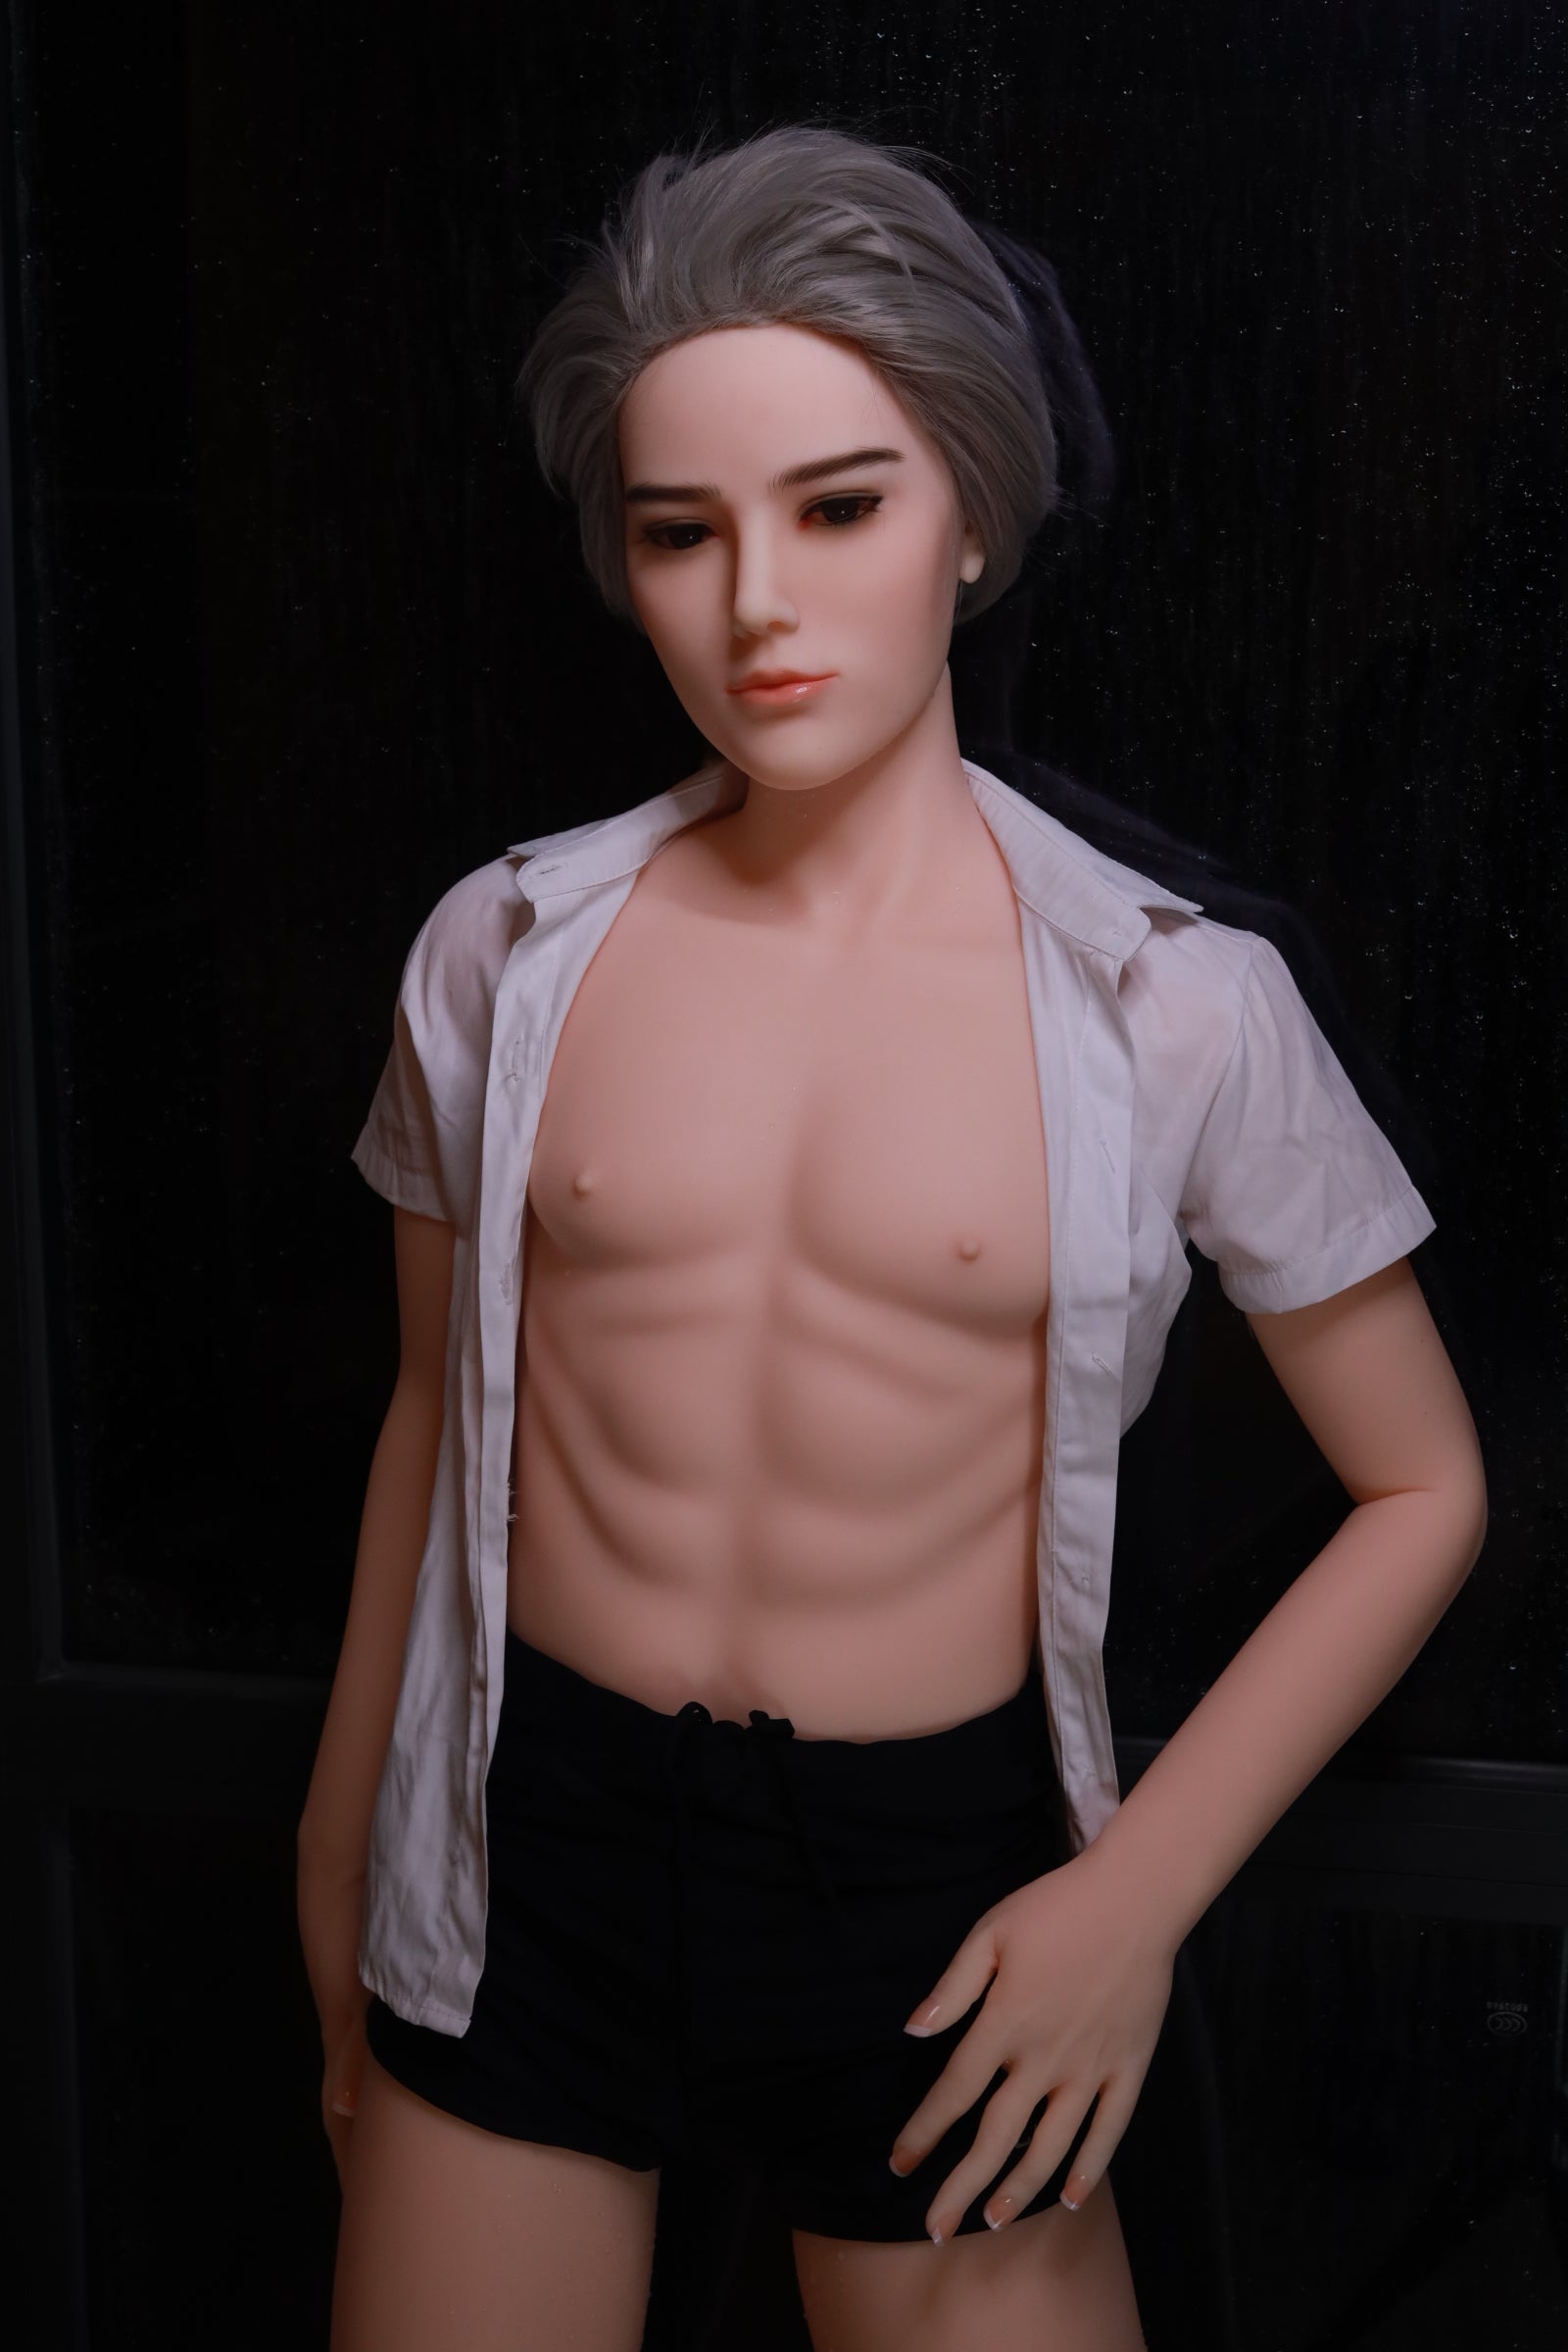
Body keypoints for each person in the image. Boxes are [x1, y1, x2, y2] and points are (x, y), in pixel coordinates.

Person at [297, 122, 1488, 2352]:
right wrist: (342, 1851)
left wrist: (1133, 1899)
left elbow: (1421, 1486)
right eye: (681, 530)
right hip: (532, 1848)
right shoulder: (508, 952)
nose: (755, 599)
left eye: (838, 506)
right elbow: (430, 1423)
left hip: (938, 1896)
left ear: (969, 520)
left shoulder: (1172, 1003)